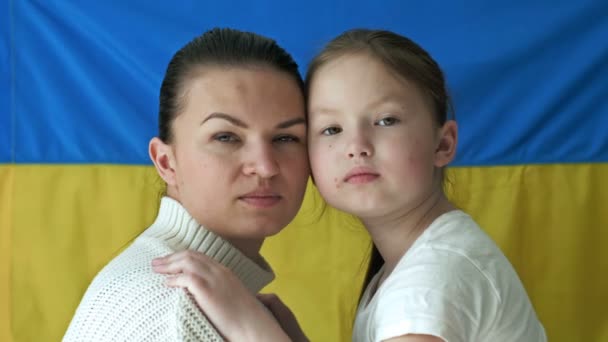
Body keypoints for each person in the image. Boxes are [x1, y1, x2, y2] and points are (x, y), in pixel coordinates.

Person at [153, 28, 547, 341]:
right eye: (331, 129)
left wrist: (248, 327)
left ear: (442, 143)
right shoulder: (413, 267)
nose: (356, 147)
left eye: (386, 120)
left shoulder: (432, 283)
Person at [63, 27, 310, 341]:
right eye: (226, 137)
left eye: (286, 138)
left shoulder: (208, 297)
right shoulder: (175, 309)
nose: (265, 166)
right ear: (166, 162)